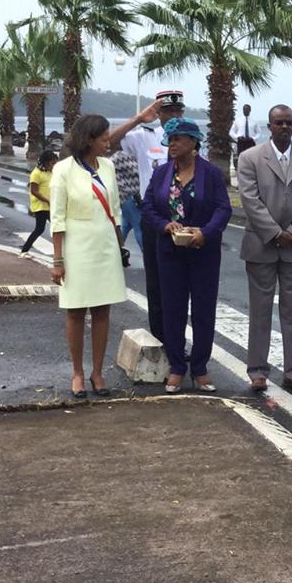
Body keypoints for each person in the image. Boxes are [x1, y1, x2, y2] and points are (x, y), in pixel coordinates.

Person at [142, 117, 231, 393]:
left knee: (203, 310)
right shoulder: (161, 173)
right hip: (170, 252)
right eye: (170, 139)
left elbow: (223, 209)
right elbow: (148, 208)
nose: (173, 144)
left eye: (179, 139)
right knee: (173, 310)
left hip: (203, 252)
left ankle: (201, 367)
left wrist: (205, 232)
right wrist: (165, 225)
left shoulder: (212, 174)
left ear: (194, 142)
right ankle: (177, 367)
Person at [237, 104, 292, 393]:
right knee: (260, 310)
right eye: (279, 122)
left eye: (289, 122)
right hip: (261, 244)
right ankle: (258, 371)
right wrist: (274, 233)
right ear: (270, 126)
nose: (284, 127)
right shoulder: (249, 158)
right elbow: (249, 199)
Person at [50, 115, 127, 399]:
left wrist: (120, 246)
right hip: (77, 245)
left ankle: (97, 371)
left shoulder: (107, 166)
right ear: (88, 140)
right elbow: (57, 217)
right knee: (76, 310)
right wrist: (57, 261)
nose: (109, 143)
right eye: (104, 139)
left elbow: (115, 209)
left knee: (103, 310)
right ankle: (78, 373)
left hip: (105, 243)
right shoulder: (63, 170)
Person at [109, 89, 185, 345]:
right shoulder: (143, 137)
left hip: (183, 218)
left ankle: (178, 338)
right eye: (167, 111)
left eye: (178, 111)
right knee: (156, 282)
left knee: (180, 283)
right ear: (159, 113)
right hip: (153, 216)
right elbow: (109, 142)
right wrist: (139, 119)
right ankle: (161, 338)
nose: (173, 116)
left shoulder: (189, 138)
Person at [19, 150, 58, 258]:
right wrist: (47, 200)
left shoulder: (50, 172)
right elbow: (34, 191)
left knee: (49, 228)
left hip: (50, 205)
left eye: (55, 163)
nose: (53, 165)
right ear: (45, 162)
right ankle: (24, 251)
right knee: (46, 228)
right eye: (52, 163)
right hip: (41, 206)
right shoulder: (36, 173)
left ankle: (24, 250)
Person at [111, 147, 143, 251]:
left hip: (133, 196)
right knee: (139, 226)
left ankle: (115, 251)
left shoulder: (134, 154)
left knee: (126, 225)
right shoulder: (118, 157)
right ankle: (149, 257)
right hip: (127, 196)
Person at [230, 103, 261, 169]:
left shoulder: (254, 121)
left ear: (250, 110)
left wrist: (253, 138)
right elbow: (231, 132)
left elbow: (259, 133)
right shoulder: (238, 120)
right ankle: (242, 170)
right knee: (241, 158)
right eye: (244, 109)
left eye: (247, 110)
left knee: (251, 158)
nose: (245, 111)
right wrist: (237, 137)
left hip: (250, 142)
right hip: (241, 142)